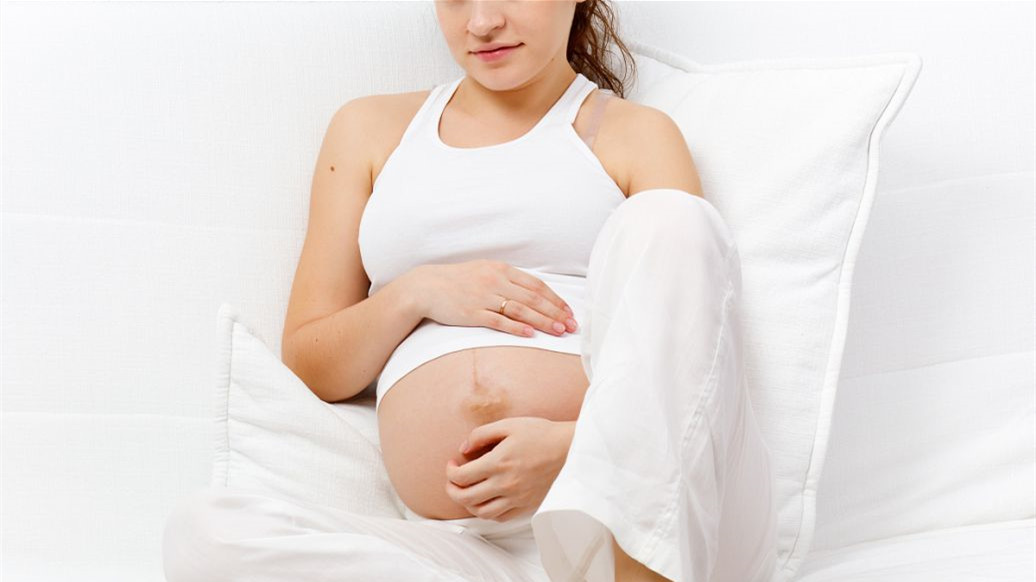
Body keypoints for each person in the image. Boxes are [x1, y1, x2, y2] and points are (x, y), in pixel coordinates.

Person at [162, 1, 778, 581]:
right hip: (458, 550)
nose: (481, 23)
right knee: (207, 533)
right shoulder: (370, 130)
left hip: (619, 516)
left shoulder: (635, 134)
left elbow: (697, 352)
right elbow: (312, 363)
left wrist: (579, 450)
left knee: (676, 219)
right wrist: (418, 292)